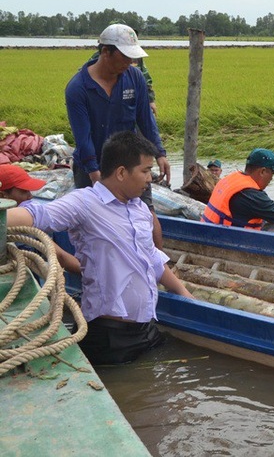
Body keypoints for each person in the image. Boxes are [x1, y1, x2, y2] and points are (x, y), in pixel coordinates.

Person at [6, 131, 193, 364]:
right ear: (122, 173)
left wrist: (186, 295)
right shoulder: (85, 203)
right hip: (108, 335)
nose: (150, 178)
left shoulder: (139, 208)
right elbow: (38, 214)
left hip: (147, 328)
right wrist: (4, 215)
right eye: (145, 170)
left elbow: (152, 258)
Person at [66, 23, 169, 248]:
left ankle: (158, 270)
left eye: (132, 59)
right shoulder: (78, 88)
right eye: (124, 58)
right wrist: (96, 177)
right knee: (94, 224)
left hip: (130, 162)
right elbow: (83, 138)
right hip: (92, 165)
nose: (129, 63)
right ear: (106, 52)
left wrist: (160, 153)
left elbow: (146, 120)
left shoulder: (134, 78)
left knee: (145, 213)